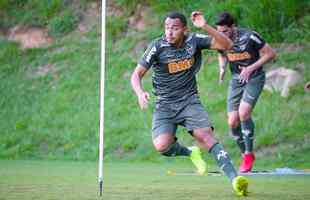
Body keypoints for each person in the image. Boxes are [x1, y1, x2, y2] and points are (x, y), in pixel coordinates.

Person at [131, 11, 248, 196]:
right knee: (162, 146)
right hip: (165, 104)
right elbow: (136, 75)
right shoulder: (157, 46)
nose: (169, 32)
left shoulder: (194, 40)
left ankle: (235, 179)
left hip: (189, 101)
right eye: (167, 28)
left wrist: (205, 26)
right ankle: (190, 152)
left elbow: (228, 45)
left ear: (184, 29)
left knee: (206, 137)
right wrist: (140, 92)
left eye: (175, 28)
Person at [215, 12, 276, 172]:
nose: (222, 35)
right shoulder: (220, 39)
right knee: (232, 122)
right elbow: (221, 54)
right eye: (219, 32)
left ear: (233, 27)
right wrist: (222, 68)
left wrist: (250, 68)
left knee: (243, 113)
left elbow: (270, 54)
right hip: (236, 79)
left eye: (225, 31)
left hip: (254, 77)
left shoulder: (250, 36)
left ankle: (249, 154)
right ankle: (244, 155)